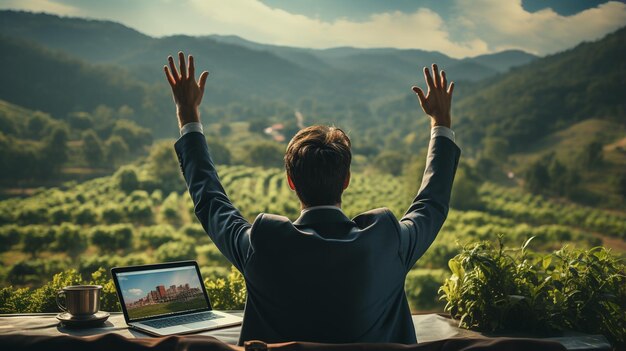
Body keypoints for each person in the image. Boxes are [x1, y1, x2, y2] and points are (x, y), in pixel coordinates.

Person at [164, 52, 460, 345]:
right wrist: (441, 121)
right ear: (346, 180)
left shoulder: (264, 242)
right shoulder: (386, 239)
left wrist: (187, 114)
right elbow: (431, 204)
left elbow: (210, 201)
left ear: (291, 182)